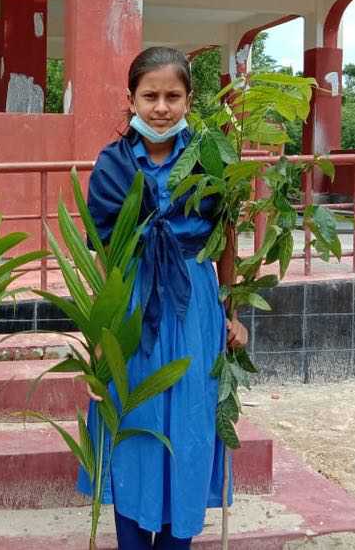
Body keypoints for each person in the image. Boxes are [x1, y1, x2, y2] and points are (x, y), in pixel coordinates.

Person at [79, 46, 249, 549]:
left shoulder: (211, 158)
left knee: (191, 425)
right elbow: (101, 257)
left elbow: (226, 240)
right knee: (133, 419)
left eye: (172, 96)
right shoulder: (111, 165)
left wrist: (232, 314)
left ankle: (179, 542)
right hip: (132, 307)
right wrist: (98, 336)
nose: (161, 107)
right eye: (149, 95)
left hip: (194, 306)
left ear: (189, 99)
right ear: (129, 99)